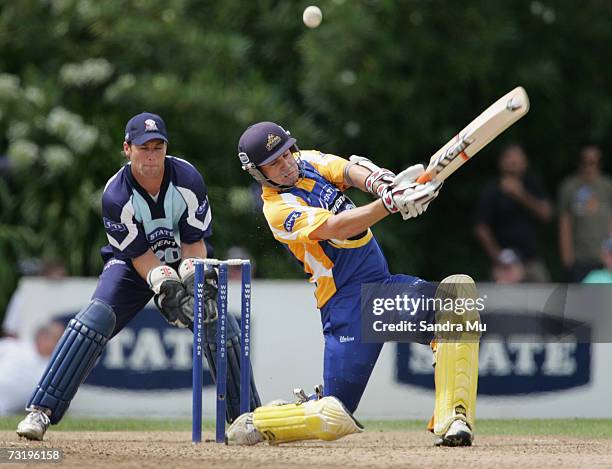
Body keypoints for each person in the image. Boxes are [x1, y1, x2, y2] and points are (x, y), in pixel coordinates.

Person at [225, 121, 481, 447]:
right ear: (258, 173)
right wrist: (389, 204)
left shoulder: (308, 162)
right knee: (335, 415)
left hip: (383, 290)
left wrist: (383, 184)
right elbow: (336, 227)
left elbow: (348, 170)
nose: (287, 163)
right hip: (347, 308)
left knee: (456, 299)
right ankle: (257, 421)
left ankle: (454, 419)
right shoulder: (278, 209)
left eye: (287, 152)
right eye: (274, 162)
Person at [16, 112, 260, 441]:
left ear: (165, 148)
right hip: (133, 267)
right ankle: (40, 412)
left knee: (220, 322)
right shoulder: (116, 195)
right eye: (143, 148)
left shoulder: (187, 178)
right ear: (127, 148)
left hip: (185, 260)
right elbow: (139, 255)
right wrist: (164, 284)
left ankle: (246, 417)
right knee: (94, 319)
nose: (151, 156)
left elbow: (194, 241)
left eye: (157, 147)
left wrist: (189, 279)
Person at [474, 144, 552, 282]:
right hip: (504, 263)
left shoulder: (532, 185)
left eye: (518, 157)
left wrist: (521, 196)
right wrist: (497, 256)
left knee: (543, 299)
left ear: (525, 162)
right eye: (509, 157)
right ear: (501, 162)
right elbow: (481, 227)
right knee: (503, 301)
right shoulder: (492, 190)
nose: (514, 161)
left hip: (531, 261)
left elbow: (546, 214)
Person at [559, 145, 612, 282]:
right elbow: (565, 224)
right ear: (579, 163)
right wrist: (567, 259)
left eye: (593, 162)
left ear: (599, 163)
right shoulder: (570, 187)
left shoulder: (607, 186)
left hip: (604, 258)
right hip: (579, 258)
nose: (589, 166)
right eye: (585, 162)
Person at [0, 321, 64, 415]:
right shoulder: (12, 346)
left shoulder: (54, 370)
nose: (59, 344)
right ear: (41, 337)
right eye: (55, 338)